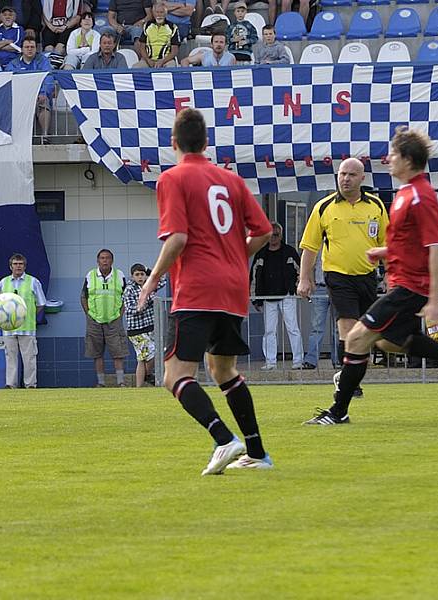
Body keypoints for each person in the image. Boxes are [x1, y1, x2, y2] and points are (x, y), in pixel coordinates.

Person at [304, 127, 438, 426]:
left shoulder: (421, 197)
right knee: (391, 343)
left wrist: (434, 301)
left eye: (393, 154)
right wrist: (384, 252)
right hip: (403, 283)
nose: (388, 159)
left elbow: (437, 247)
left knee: (356, 338)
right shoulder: (405, 194)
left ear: (406, 158)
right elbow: (410, 243)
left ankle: (338, 412)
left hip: (410, 287)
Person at [139, 107, 274, 474]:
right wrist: (232, 256)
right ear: (206, 141)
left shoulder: (173, 178)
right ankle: (258, 454)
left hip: (197, 287)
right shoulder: (230, 180)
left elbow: (178, 238)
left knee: (175, 376)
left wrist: (152, 279)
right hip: (233, 288)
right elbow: (263, 231)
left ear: (173, 142)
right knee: (223, 369)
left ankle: (223, 438)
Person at [298, 157, 388, 398]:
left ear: (362, 178)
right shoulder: (324, 207)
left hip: (367, 277)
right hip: (338, 276)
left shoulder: (376, 206)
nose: (345, 179)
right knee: (347, 328)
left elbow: (388, 245)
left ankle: (347, 376)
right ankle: (349, 383)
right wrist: (304, 278)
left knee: (364, 334)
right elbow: (309, 247)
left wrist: (391, 274)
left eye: (351, 175)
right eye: (342, 174)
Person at [250, 222, 304, 370]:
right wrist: (255, 298)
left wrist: (298, 288)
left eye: (276, 235)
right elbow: (253, 277)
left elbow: (301, 271)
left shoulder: (289, 251)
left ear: (281, 236)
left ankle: (298, 360)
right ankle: (270, 361)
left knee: (292, 328)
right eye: (271, 235)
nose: (273, 238)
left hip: (287, 295)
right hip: (267, 297)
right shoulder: (261, 253)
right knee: (269, 330)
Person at [82, 249, 130, 387]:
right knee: (97, 354)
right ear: (98, 261)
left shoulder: (119, 275)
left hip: (114, 320)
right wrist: (89, 315)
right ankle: (101, 383)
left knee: (118, 353)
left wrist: (120, 315)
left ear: (112, 260)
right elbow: (83, 297)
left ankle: (121, 382)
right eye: (102, 258)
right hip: (94, 321)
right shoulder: (90, 275)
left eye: (107, 258)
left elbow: (125, 297)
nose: (105, 260)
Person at [0, 254, 46, 388]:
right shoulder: (3, 282)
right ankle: (10, 384)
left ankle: (30, 385)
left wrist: (29, 316)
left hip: (27, 327)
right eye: (15, 264)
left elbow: (41, 303)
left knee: (29, 358)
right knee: (10, 357)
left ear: (25, 266)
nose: (18, 266)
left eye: (20, 264)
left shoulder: (33, 282)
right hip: (8, 328)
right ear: (10, 266)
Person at [122, 264, 166, 387]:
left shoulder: (150, 285)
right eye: (137, 274)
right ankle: (148, 375)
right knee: (151, 354)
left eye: (142, 274)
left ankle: (139, 386)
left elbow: (163, 279)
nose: (140, 277)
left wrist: (147, 269)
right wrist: (142, 305)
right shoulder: (129, 289)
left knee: (142, 359)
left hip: (150, 327)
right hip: (136, 330)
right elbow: (130, 308)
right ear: (132, 276)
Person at [6, 36, 54, 144]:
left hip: (39, 96)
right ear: (22, 49)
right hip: (21, 97)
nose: (29, 49)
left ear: (36, 49)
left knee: (44, 104)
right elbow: (9, 81)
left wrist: (43, 93)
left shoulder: (43, 61)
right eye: (26, 47)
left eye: (32, 47)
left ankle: (45, 136)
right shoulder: (13, 64)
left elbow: (49, 78)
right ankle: (20, 139)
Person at [302, 251, 335, 369]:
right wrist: (311, 282)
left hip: (337, 287)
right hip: (320, 287)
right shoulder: (318, 246)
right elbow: (310, 264)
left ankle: (338, 360)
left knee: (338, 327)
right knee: (316, 327)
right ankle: (311, 360)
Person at [134, 2, 181, 69]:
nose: (159, 15)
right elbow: (142, 47)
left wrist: (162, 61)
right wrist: (148, 60)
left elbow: (174, 51)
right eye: (157, 12)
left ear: (166, 13)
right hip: (148, 59)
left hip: (166, 60)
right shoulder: (147, 26)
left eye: (161, 12)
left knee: (171, 67)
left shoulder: (173, 27)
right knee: (136, 68)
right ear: (153, 13)